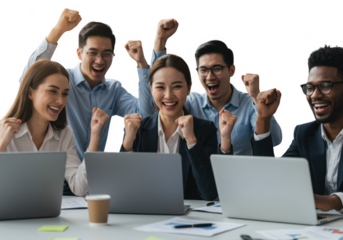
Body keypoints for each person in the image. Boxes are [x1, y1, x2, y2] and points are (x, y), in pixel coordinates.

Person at [17, 7, 163, 194]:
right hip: (52, 180)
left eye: (106, 54)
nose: (100, 60)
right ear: (79, 53)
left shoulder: (114, 89)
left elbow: (146, 113)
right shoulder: (63, 81)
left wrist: (142, 65)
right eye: (93, 53)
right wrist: (58, 30)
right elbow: (27, 81)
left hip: (90, 183)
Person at [135, 18, 283, 155]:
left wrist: (256, 100)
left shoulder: (249, 104)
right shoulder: (191, 102)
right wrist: (160, 41)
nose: (210, 76)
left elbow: (276, 141)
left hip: (238, 180)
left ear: (231, 70)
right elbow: (154, 102)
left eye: (217, 69)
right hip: (198, 181)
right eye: (203, 70)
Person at [121, 53, 239, 201]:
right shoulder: (138, 129)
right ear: (151, 88)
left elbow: (209, 193)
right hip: (146, 214)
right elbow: (125, 189)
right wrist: (127, 144)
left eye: (177, 86)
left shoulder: (204, 129)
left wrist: (191, 141)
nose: (169, 95)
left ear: (189, 87)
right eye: (160, 87)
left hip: (188, 218)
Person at [251, 44, 343, 212]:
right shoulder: (304, 133)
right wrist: (263, 118)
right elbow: (270, 178)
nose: (314, 95)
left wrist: (335, 201)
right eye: (309, 87)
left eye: (325, 86)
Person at [1, 59, 109, 197]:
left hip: (47, 215)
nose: (61, 101)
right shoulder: (4, 131)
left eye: (64, 94)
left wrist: (95, 136)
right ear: (30, 93)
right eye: (52, 91)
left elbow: (80, 188)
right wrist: (2, 145)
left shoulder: (64, 134)